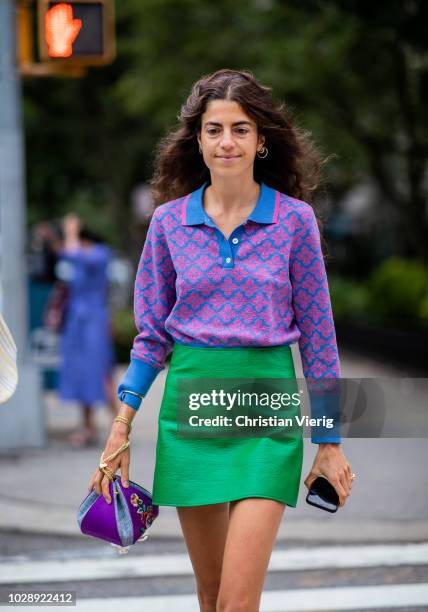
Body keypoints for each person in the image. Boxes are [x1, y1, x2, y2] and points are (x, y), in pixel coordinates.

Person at [88, 68, 354, 611]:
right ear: (198, 139)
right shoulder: (167, 224)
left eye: (239, 129)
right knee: (209, 596)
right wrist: (121, 427)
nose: (226, 141)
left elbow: (320, 340)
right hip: (192, 412)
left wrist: (330, 440)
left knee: (236, 600)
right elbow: (151, 338)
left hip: (265, 413)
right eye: (214, 129)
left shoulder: (295, 221)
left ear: (261, 141)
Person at [58, 214, 117, 447]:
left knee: (100, 372)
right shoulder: (80, 258)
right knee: (82, 374)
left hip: (93, 320)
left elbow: (71, 252)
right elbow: (65, 253)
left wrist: (71, 230)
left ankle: (120, 425)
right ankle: (88, 427)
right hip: (77, 321)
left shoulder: (99, 254)